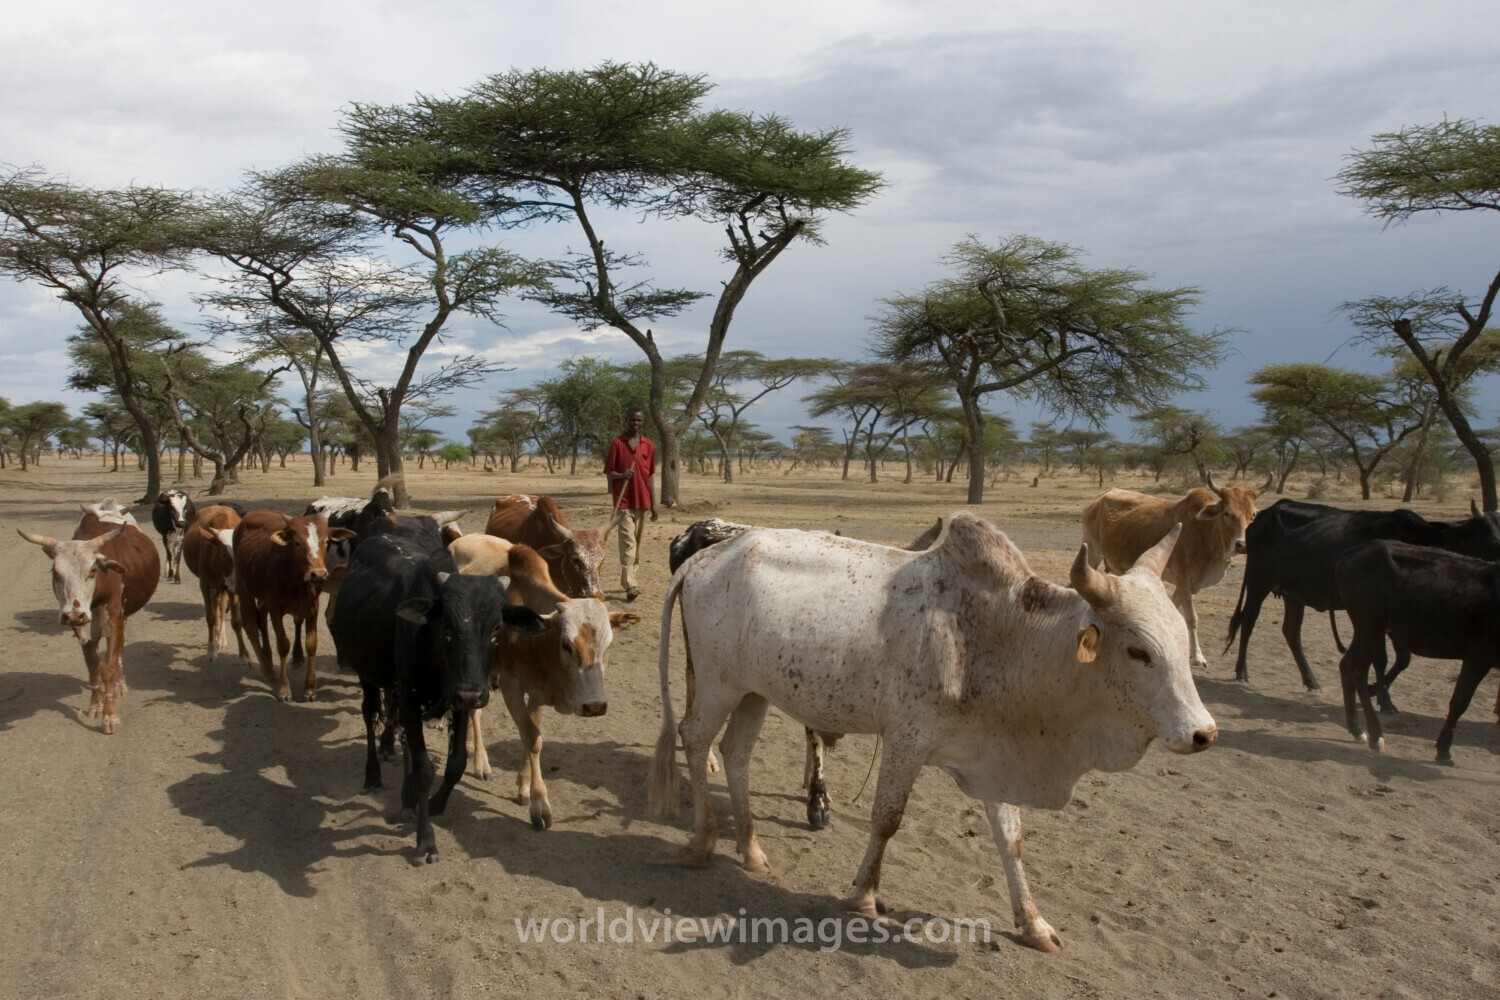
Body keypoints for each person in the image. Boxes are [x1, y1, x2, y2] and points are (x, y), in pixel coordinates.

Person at [604, 405, 658, 601]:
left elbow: (651, 476)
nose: (635, 423)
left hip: (642, 501)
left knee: (637, 544)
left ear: (642, 422)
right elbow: (609, 472)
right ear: (626, 421)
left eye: (639, 420)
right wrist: (621, 475)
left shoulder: (648, 445)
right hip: (624, 502)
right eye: (632, 420)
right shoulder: (618, 443)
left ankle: (631, 578)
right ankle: (630, 584)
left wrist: (654, 504)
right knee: (628, 543)